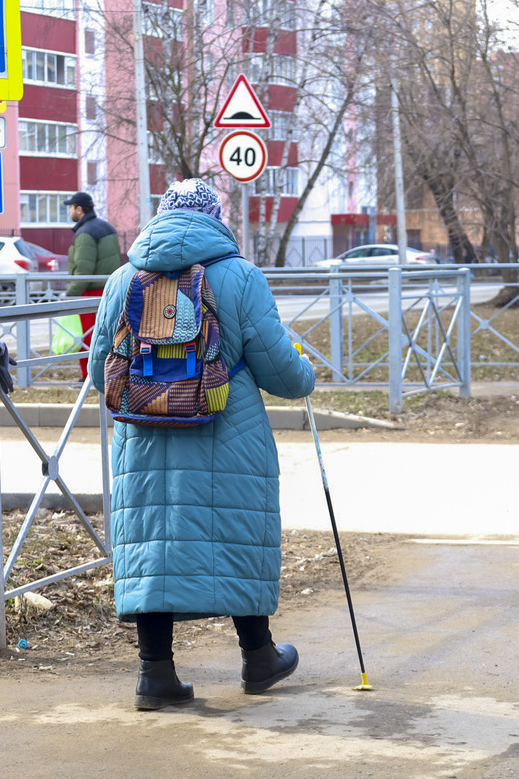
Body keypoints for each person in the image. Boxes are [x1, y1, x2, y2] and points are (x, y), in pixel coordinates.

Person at [89, 178, 316, 711]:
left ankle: (155, 675)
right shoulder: (239, 276)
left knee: (152, 544)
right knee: (235, 533)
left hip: (142, 432)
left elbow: (101, 362)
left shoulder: (124, 278)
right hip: (226, 429)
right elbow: (281, 371)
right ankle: (259, 657)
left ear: (161, 215)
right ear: (216, 218)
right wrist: (306, 375)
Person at [65, 191, 121, 380]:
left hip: (90, 292)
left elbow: (83, 270)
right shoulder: (107, 227)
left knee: (88, 336)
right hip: (109, 289)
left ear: (79, 209)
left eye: (70, 207)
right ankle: (108, 373)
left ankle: (87, 376)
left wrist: (69, 296)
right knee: (106, 334)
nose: (69, 211)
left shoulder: (85, 233)